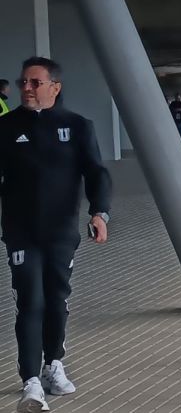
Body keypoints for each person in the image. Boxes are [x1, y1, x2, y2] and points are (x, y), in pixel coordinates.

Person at [0, 56, 111, 412]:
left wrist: (100, 212)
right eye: (23, 83)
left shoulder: (77, 126)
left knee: (57, 301)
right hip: (21, 231)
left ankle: (54, 364)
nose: (27, 89)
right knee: (30, 301)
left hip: (61, 232)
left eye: (35, 82)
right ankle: (30, 381)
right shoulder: (5, 127)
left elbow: (97, 173)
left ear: (55, 87)